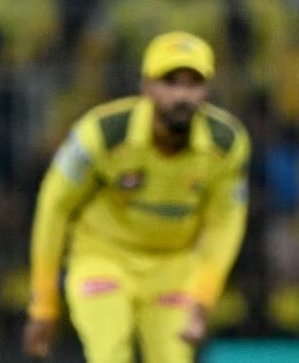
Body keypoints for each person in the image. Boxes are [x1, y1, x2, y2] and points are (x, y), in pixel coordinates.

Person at [22, 31, 250, 362]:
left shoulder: (226, 144)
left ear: (207, 90)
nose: (182, 96)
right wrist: (43, 304)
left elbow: (225, 222)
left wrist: (203, 299)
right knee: (109, 354)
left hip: (173, 266)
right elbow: (54, 206)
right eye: (170, 82)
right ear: (147, 86)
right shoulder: (102, 133)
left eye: (193, 84)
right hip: (102, 258)